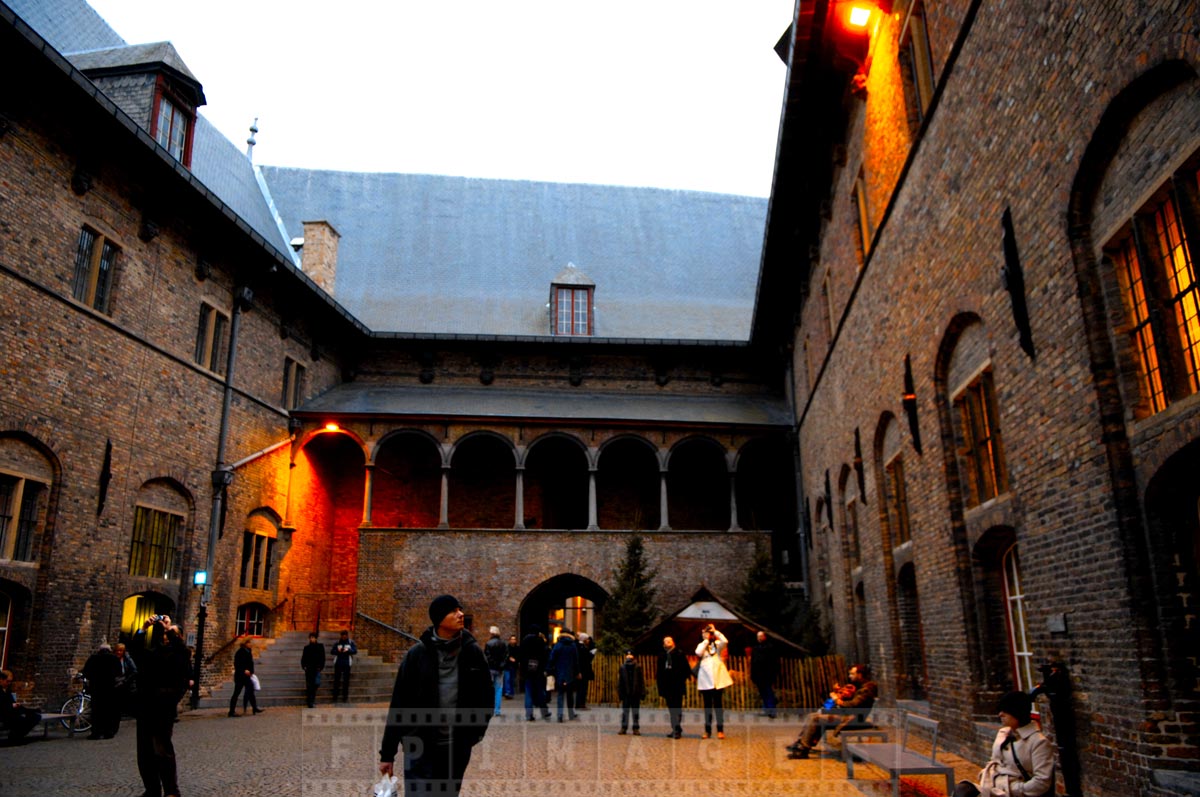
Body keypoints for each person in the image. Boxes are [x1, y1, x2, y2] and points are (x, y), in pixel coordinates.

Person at [378, 594, 493, 797]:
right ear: (439, 618)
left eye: (460, 609)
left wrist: (472, 733)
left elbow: (486, 696)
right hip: (419, 745)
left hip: (455, 747)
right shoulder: (417, 655)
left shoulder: (472, 652)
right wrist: (388, 753)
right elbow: (399, 703)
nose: (460, 614)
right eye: (454, 611)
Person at [952, 691, 1055, 797]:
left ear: (1017, 712)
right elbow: (994, 762)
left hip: (1015, 793)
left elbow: (1041, 782)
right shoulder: (1003, 733)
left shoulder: (1038, 742)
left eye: (1006, 711)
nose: (1000, 714)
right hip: (992, 787)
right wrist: (985, 775)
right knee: (962, 790)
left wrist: (1011, 789)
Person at [131, 616, 190, 797]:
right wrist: (144, 628)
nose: (165, 634)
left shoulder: (179, 654)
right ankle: (152, 789)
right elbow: (136, 651)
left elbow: (183, 655)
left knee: (162, 750)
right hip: (146, 705)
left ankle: (171, 790)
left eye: (169, 632)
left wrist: (169, 629)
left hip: (163, 707)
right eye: (164, 632)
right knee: (144, 752)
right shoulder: (153, 653)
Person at [787, 663, 877, 758]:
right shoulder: (860, 686)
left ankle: (803, 750)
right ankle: (802, 742)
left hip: (853, 719)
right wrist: (840, 692)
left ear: (860, 674)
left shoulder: (867, 688)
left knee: (817, 719)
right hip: (849, 715)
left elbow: (853, 705)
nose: (850, 676)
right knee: (813, 716)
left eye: (852, 674)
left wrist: (836, 699)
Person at [695, 623, 733, 739]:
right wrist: (706, 640)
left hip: (717, 679)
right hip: (705, 680)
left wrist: (715, 631)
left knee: (718, 706)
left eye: (708, 632)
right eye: (705, 632)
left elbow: (725, 641)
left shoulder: (717, 645)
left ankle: (720, 730)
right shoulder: (702, 644)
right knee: (707, 706)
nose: (707, 634)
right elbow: (698, 652)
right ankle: (707, 731)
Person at [83, 642, 121, 739]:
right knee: (108, 710)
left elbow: (86, 672)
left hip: (96, 688)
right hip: (110, 688)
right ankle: (108, 732)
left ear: (99, 650)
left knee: (96, 711)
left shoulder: (93, 658)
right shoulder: (114, 658)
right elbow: (119, 673)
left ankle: (96, 732)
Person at [656, 636, 690, 739]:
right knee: (671, 708)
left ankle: (677, 729)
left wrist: (681, 679)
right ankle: (675, 728)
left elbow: (685, 668)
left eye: (669, 640)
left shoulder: (679, 654)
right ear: (663, 644)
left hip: (677, 685)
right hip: (667, 686)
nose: (667, 642)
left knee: (677, 707)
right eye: (665, 641)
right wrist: (660, 686)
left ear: (673, 642)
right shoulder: (662, 656)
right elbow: (659, 672)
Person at [547, 629, 581, 722]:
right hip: (570, 673)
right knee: (570, 694)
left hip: (560, 673)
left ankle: (560, 715)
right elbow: (576, 661)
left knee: (560, 694)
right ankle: (571, 714)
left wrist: (549, 670)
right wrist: (577, 672)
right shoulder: (573, 646)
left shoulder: (558, 645)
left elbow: (551, 659)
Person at [0, 669, 40, 744]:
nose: (9, 683)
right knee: (19, 719)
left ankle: (17, 736)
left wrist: (15, 705)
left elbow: (11, 702)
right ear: (1, 680)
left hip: (11, 711)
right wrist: (11, 705)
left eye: (10, 681)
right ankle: (15, 737)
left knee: (33, 716)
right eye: (7, 681)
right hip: (4, 714)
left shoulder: (7, 690)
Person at [520, 625, 551, 721]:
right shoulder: (540, 641)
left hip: (527, 671)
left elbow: (521, 655)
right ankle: (544, 712)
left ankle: (529, 715)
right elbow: (544, 656)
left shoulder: (525, 640)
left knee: (528, 692)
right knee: (540, 691)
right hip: (538, 670)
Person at [228, 637, 263, 716]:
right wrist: (244, 670)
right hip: (240, 676)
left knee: (251, 691)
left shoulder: (248, 651)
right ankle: (231, 711)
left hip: (247, 676)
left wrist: (251, 672)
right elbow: (237, 664)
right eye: (250, 643)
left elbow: (250, 663)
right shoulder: (240, 652)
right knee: (236, 693)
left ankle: (254, 707)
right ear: (246, 643)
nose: (251, 644)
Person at [750, 630, 779, 719]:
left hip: (767, 674)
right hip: (758, 675)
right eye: (758, 636)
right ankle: (766, 708)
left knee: (768, 691)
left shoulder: (769, 648)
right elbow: (753, 662)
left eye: (761, 636)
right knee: (763, 692)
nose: (759, 638)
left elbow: (773, 662)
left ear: (764, 637)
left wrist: (773, 673)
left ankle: (771, 710)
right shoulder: (755, 648)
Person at [616, 650, 645, 735]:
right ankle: (624, 727)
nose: (629, 657)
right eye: (627, 656)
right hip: (626, 693)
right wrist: (620, 692)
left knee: (635, 712)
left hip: (635, 693)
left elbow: (641, 681)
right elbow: (620, 681)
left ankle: (636, 728)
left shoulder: (638, 667)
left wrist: (642, 692)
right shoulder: (622, 667)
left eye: (630, 656)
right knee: (625, 711)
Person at [483, 626, 507, 717]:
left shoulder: (488, 643)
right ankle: (497, 710)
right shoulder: (503, 643)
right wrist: (501, 665)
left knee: (490, 689)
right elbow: (506, 656)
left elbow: (487, 657)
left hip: (491, 669)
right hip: (500, 669)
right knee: (499, 689)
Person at [331, 629, 358, 703]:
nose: (343, 637)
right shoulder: (337, 642)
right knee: (337, 680)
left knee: (346, 681)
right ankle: (335, 696)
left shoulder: (350, 642)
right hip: (338, 663)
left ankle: (344, 697)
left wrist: (348, 650)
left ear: (347, 636)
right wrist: (338, 651)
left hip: (347, 663)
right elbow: (332, 651)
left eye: (345, 636)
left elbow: (355, 651)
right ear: (341, 636)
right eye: (342, 636)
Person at [301, 632, 326, 708]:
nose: (312, 639)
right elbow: (303, 658)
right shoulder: (306, 648)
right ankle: (310, 702)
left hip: (317, 669)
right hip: (309, 669)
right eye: (311, 638)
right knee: (309, 686)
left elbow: (323, 658)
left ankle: (311, 699)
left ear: (316, 638)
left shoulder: (320, 646)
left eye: (313, 637)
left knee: (316, 684)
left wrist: (320, 667)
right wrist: (304, 666)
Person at [115, 642, 138, 718]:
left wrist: (126, 680)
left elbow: (134, 671)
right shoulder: (113, 659)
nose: (118, 652)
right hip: (117, 681)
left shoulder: (127, 659)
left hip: (126, 682)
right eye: (117, 650)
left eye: (120, 651)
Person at [575, 632, 595, 710]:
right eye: (587, 639)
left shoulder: (580, 647)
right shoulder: (581, 648)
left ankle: (578, 704)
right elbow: (585, 659)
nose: (588, 641)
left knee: (580, 688)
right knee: (582, 688)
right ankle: (581, 704)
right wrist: (592, 654)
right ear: (584, 640)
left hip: (581, 671)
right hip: (583, 671)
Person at [502, 634, 519, 699]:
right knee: (507, 679)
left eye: (514, 639)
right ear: (509, 640)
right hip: (507, 666)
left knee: (512, 680)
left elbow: (519, 656)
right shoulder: (507, 647)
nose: (513, 640)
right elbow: (505, 655)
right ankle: (507, 693)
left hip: (514, 666)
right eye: (512, 639)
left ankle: (511, 693)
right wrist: (509, 658)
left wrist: (516, 660)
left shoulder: (517, 648)